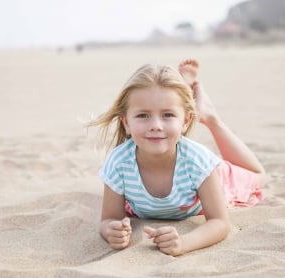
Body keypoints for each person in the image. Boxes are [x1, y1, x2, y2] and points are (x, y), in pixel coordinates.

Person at [87, 59, 265, 256]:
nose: (155, 125)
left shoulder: (198, 161)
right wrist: (111, 231)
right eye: (143, 115)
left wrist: (184, 242)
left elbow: (220, 222)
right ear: (126, 122)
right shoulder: (119, 162)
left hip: (215, 178)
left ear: (186, 121)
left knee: (258, 176)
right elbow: (108, 219)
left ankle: (210, 117)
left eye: (168, 115)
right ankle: (183, 97)